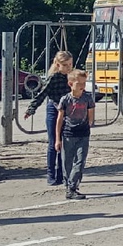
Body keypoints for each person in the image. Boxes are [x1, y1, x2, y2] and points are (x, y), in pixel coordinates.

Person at [24, 50, 74, 186]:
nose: (68, 67)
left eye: (70, 64)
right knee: (54, 143)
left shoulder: (72, 76)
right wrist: (31, 109)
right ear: (58, 65)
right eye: (65, 65)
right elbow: (42, 94)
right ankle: (51, 175)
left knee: (65, 143)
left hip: (67, 111)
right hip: (54, 109)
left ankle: (62, 174)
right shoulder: (53, 78)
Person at [55, 68, 96, 200]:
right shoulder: (65, 99)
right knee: (67, 162)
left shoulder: (87, 98)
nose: (82, 86)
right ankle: (68, 186)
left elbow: (91, 113)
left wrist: (90, 123)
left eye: (84, 83)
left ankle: (72, 186)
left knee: (80, 161)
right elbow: (60, 119)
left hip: (83, 134)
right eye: (79, 83)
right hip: (68, 134)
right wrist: (57, 139)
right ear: (71, 84)